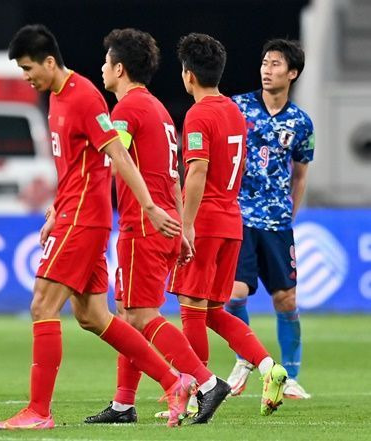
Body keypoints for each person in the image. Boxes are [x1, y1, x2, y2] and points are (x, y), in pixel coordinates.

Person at [0, 24, 197, 431]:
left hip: (85, 217)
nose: (25, 76)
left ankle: (39, 412)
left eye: (29, 67)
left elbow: (118, 155)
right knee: (92, 315)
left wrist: (149, 206)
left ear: (51, 61)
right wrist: (54, 210)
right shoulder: (54, 96)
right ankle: (175, 381)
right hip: (72, 212)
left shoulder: (84, 96)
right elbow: (74, 166)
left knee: (42, 306)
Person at [83, 28, 229, 425]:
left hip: (144, 224)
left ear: (119, 68)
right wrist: (182, 226)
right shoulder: (161, 111)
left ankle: (204, 380)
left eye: (105, 62)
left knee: (141, 316)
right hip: (164, 222)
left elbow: (114, 158)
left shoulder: (127, 111)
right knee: (129, 315)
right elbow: (175, 176)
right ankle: (122, 404)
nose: (101, 69)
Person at [167, 33, 288, 418]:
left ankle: (198, 390)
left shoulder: (199, 114)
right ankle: (270, 367)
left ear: (188, 75)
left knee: (191, 310)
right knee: (216, 311)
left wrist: (186, 224)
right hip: (232, 221)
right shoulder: (235, 111)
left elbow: (198, 168)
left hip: (206, 221)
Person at [225, 39, 314, 399]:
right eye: (264, 63)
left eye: (276, 64)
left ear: (292, 73)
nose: (267, 69)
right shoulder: (238, 108)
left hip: (277, 224)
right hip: (240, 218)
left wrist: (288, 216)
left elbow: (301, 175)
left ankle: (290, 376)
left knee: (286, 300)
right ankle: (245, 359)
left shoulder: (301, 122)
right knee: (234, 294)